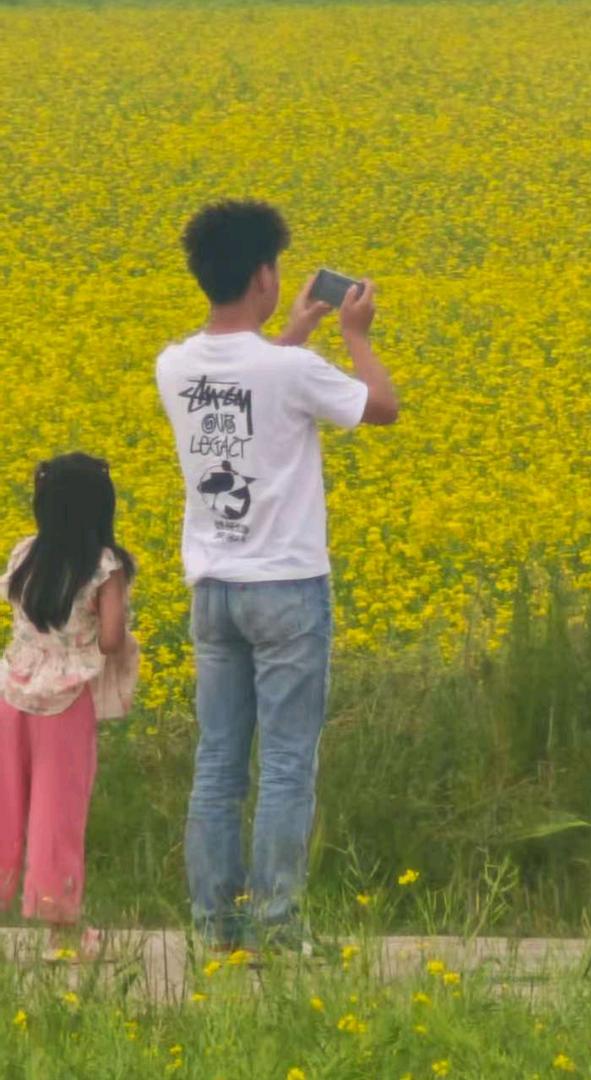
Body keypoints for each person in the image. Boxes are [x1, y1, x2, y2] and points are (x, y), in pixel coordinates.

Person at [155, 199, 398, 952]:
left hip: (214, 590)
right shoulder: (290, 370)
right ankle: (277, 927)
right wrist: (353, 336)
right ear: (265, 275)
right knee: (287, 765)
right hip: (287, 588)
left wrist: (298, 326)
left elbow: (247, 387)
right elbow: (381, 408)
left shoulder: (175, 363)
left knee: (219, 763)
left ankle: (214, 929)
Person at [0, 453, 139, 959]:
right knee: (58, 812)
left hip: (12, 692)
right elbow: (109, 639)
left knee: (6, 803)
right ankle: (61, 934)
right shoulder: (105, 566)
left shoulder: (23, 554)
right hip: (65, 701)